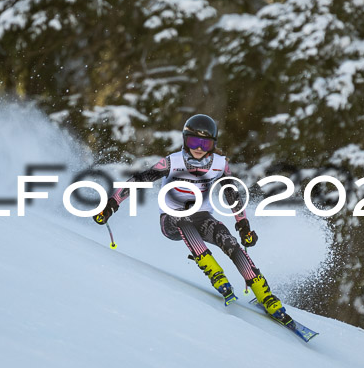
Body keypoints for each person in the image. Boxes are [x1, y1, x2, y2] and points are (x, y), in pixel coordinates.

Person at [93, 114, 290, 323]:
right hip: (170, 220)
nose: (198, 148)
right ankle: (215, 273)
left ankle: (264, 293)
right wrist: (111, 205)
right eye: (193, 141)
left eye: (205, 143)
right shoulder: (172, 162)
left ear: (213, 145)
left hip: (201, 216)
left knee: (228, 239)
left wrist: (243, 225)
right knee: (182, 219)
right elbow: (139, 180)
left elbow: (231, 193)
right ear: (185, 140)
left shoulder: (220, 165)